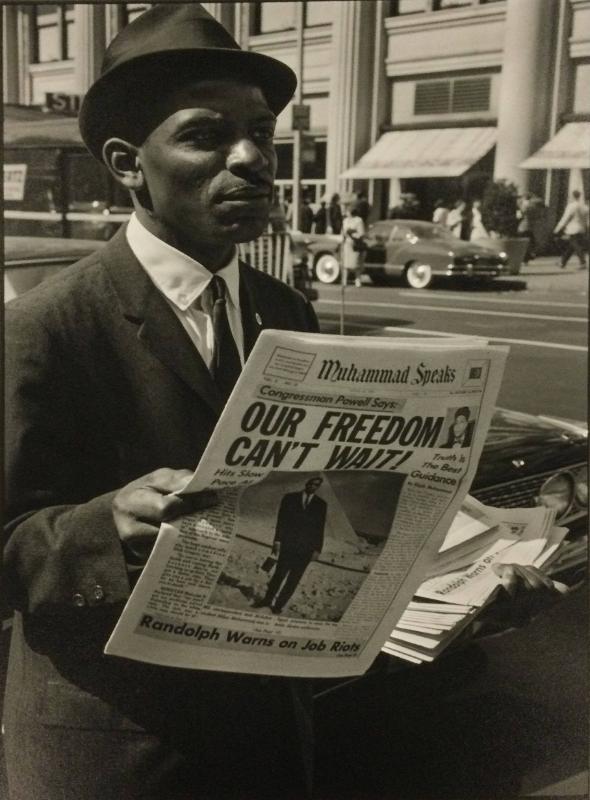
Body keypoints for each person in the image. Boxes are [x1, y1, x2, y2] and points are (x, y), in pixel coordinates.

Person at [3, 6, 319, 799]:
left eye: (262, 133)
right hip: (117, 751)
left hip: (271, 734)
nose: (251, 159)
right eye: (207, 136)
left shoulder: (287, 311)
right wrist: (104, 524)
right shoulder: (45, 326)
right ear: (126, 163)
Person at [252, 477, 326, 615]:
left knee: (293, 580)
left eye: (316, 485)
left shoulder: (321, 504)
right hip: (288, 546)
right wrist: (277, 541)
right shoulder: (290, 498)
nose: (313, 486)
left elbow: (319, 528)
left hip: (306, 549)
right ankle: (267, 601)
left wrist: (317, 549)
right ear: (306, 483)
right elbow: (282, 521)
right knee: (278, 575)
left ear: (318, 487)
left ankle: (278, 606)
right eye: (311, 483)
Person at [554, 189, 589, 269]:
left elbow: (565, 218)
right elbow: (586, 219)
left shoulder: (572, 206)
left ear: (572, 196)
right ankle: (563, 262)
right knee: (571, 246)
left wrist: (557, 228)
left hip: (573, 229)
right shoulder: (584, 207)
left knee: (575, 245)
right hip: (581, 229)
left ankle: (582, 262)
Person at [341, 197, 366, 287]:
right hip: (347, 244)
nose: (346, 212)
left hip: (355, 244)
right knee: (346, 263)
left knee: (356, 264)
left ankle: (357, 280)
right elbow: (343, 232)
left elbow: (361, 233)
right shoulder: (345, 221)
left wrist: (354, 234)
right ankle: (344, 280)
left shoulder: (358, 220)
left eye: (348, 210)